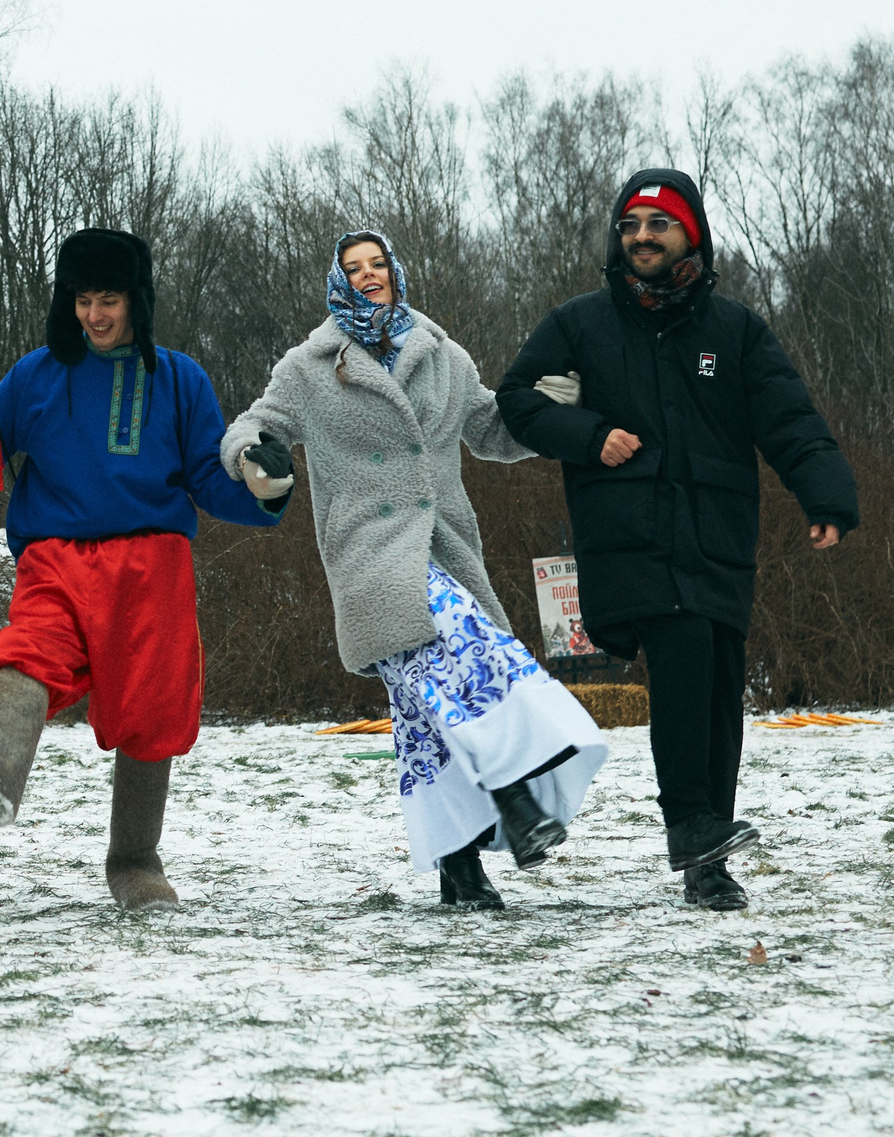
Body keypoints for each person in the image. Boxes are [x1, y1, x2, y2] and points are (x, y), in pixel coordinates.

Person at [496, 169, 856, 912]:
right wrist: (591, 435)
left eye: (657, 225)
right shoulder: (581, 324)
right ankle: (692, 826)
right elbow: (519, 399)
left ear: (690, 233)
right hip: (630, 537)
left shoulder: (734, 330)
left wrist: (825, 492)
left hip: (719, 538)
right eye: (630, 226)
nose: (641, 237)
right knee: (687, 661)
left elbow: (789, 419)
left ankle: (708, 857)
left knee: (722, 688)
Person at [222, 231, 608, 911]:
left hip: (444, 544)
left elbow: (491, 429)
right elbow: (253, 426)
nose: (369, 275)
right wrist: (255, 457)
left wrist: (547, 407)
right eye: (354, 268)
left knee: (420, 719)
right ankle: (516, 794)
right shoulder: (310, 367)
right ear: (338, 283)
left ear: (396, 272)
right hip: (370, 556)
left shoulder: (440, 352)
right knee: (458, 643)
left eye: (378, 264)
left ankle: (460, 871)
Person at [0, 227, 287, 909]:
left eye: (109, 300)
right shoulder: (34, 373)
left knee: (153, 706)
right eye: (83, 299)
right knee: (30, 651)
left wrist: (262, 487)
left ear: (136, 300)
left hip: (152, 567)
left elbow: (209, 476)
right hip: (55, 557)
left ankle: (135, 860)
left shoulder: (179, 378)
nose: (94, 315)